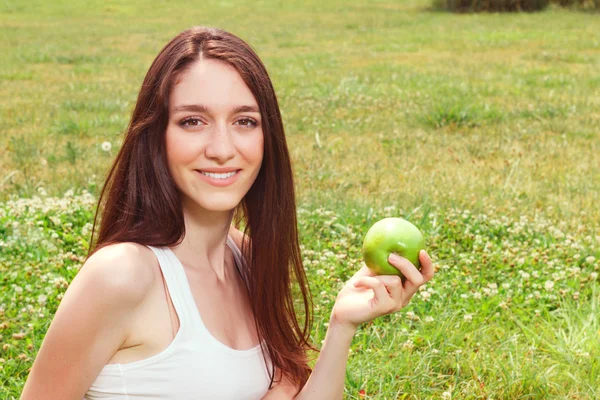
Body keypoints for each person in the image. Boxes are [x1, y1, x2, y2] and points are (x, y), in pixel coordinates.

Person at [21, 26, 434, 400]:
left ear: (266, 137)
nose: (221, 148)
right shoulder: (123, 274)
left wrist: (341, 327)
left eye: (244, 121)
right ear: (157, 136)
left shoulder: (248, 259)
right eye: (193, 121)